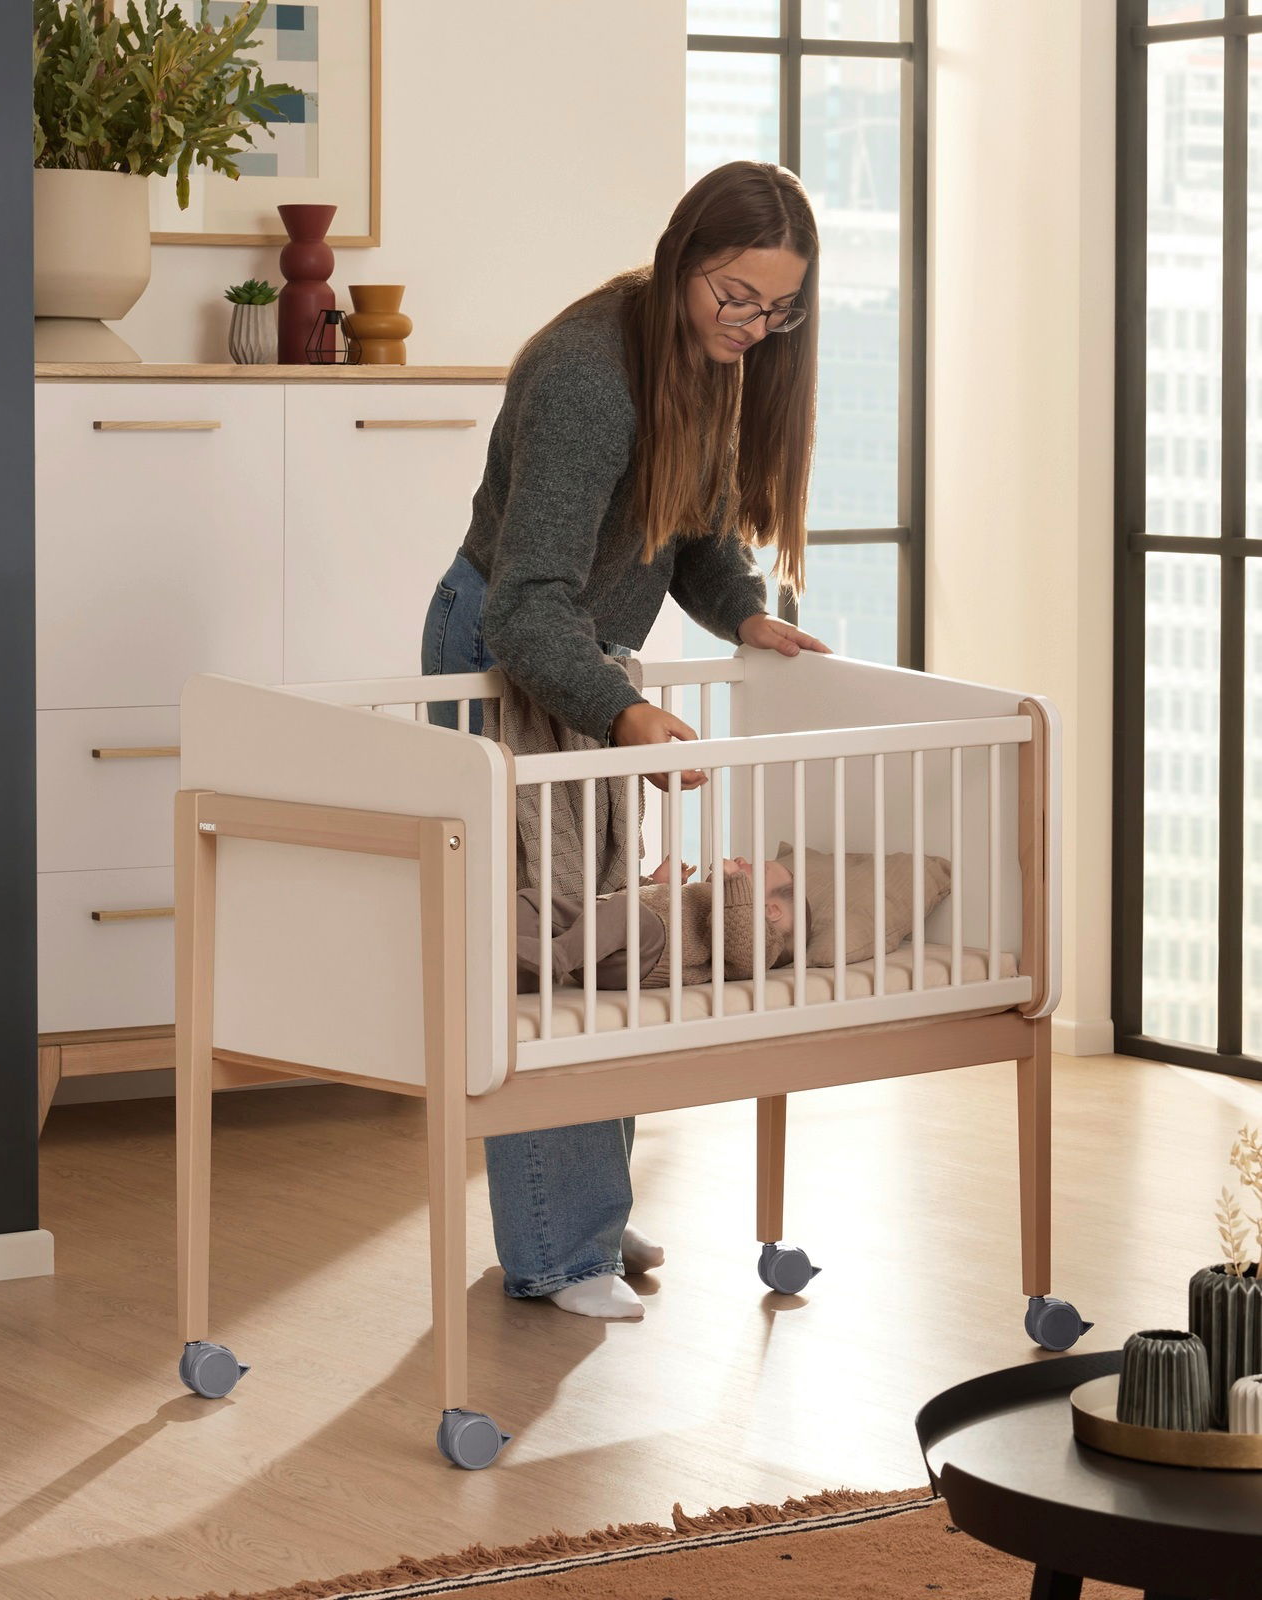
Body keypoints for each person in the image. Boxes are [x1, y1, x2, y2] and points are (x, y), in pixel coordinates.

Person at [420, 160, 830, 1322]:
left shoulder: (697, 361)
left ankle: (582, 1208)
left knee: (604, 939)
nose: (751, 327)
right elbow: (524, 604)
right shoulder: (590, 378)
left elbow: (686, 534)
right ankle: (558, 1246)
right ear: (680, 255)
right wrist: (627, 710)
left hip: (588, 664)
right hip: (512, 655)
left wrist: (743, 609)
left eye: (777, 307)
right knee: (540, 956)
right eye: (734, 296)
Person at [514, 856, 815, 993]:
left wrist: (734, 881)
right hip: (610, 936)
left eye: (756, 869)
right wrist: (656, 884)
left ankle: (556, 957)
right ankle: (521, 974)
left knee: (621, 911)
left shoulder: (762, 942)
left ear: (771, 910)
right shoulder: (701, 894)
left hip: (649, 957)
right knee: (532, 901)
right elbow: (642, 903)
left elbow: (741, 947)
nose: (742, 860)